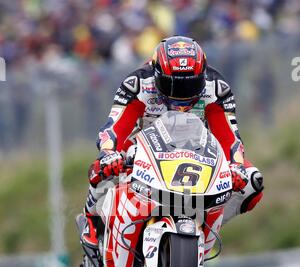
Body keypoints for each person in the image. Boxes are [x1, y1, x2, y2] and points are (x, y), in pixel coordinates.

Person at [81, 35, 264, 248]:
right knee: (104, 168)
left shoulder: (217, 88)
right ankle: (92, 221)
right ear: (157, 74)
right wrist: (108, 153)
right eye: (171, 84)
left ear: (203, 75)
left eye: (191, 85)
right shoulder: (138, 83)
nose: (181, 94)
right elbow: (114, 128)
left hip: (200, 151)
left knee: (252, 182)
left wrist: (236, 166)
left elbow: (229, 137)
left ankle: (206, 226)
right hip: (143, 147)